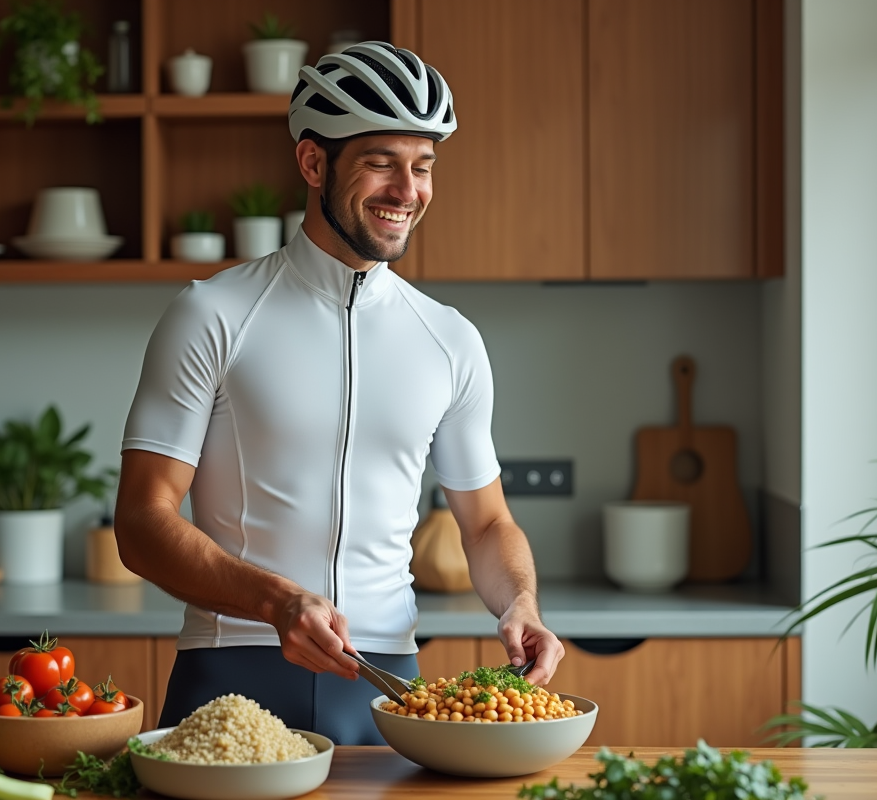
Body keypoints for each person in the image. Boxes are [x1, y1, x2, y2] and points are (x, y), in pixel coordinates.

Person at [115, 41, 565, 745]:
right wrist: (277, 601)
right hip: (232, 670)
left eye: (423, 166)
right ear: (312, 163)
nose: (407, 190)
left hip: (387, 688)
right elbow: (142, 521)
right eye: (381, 162)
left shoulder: (449, 339)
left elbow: (485, 525)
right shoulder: (213, 314)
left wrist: (522, 604)